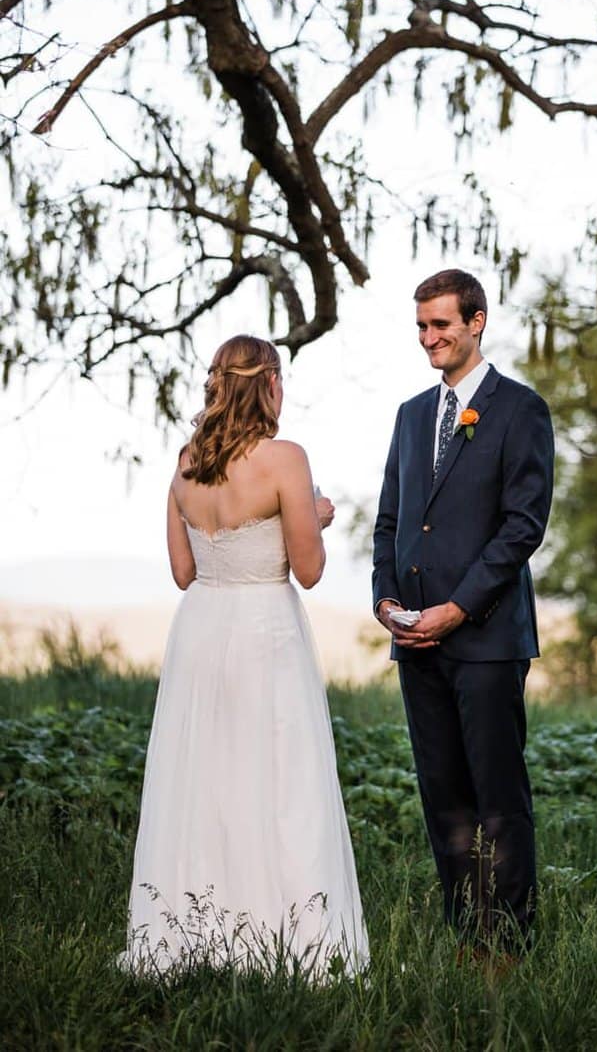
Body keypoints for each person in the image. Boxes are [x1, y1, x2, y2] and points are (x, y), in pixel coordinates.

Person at [121, 335, 367, 978]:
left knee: (202, 779)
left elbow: (182, 571)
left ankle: (190, 935)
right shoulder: (286, 458)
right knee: (280, 778)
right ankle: (290, 941)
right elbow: (308, 570)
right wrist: (314, 515)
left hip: (201, 627)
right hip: (265, 629)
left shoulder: (184, 463)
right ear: (270, 385)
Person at [372, 269, 554, 958]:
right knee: (442, 798)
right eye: (421, 326)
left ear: (477, 322)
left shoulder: (520, 409)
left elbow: (522, 527)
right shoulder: (411, 416)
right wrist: (385, 600)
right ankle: (463, 936)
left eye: (441, 324)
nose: (429, 338)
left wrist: (457, 608)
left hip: (486, 638)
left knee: (498, 800)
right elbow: (391, 521)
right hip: (414, 641)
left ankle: (508, 944)